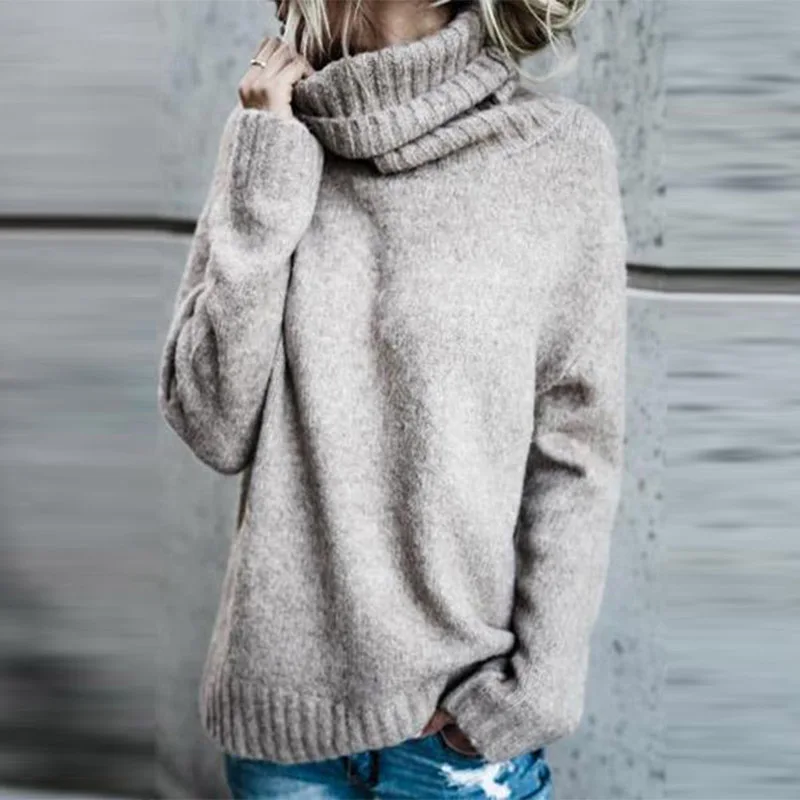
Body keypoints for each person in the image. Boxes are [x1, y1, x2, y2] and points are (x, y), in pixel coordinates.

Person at [157, 0, 628, 796]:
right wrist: (266, 162)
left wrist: (536, 690)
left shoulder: (556, 155)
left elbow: (576, 447)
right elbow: (212, 423)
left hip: (455, 744)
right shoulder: (273, 139)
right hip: (282, 742)